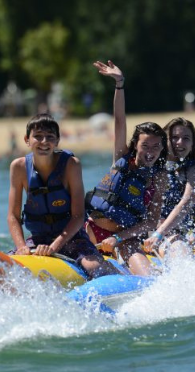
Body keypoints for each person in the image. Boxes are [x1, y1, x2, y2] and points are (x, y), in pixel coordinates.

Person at [7, 113, 116, 279]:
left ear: (57, 141)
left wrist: (54, 248)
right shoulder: (19, 167)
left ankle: (118, 273)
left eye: (50, 137)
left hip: (73, 238)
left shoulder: (71, 165)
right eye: (37, 136)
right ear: (27, 140)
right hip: (38, 239)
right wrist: (21, 247)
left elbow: (78, 216)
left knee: (94, 268)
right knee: (5, 268)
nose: (44, 142)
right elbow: (13, 216)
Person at [86, 60, 169, 276]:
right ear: (135, 145)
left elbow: (151, 221)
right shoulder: (122, 157)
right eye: (145, 146)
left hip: (125, 237)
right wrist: (119, 84)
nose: (150, 151)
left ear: (162, 149)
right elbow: (120, 121)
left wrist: (118, 238)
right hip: (90, 229)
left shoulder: (158, 178)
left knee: (145, 271)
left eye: (156, 146)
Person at [142, 117, 195, 258]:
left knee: (178, 248)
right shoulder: (151, 165)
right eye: (174, 137)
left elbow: (186, 202)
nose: (180, 142)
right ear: (165, 140)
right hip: (148, 229)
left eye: (186, 138)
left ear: (193, 143)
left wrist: (160, 233)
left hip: (176, 232)